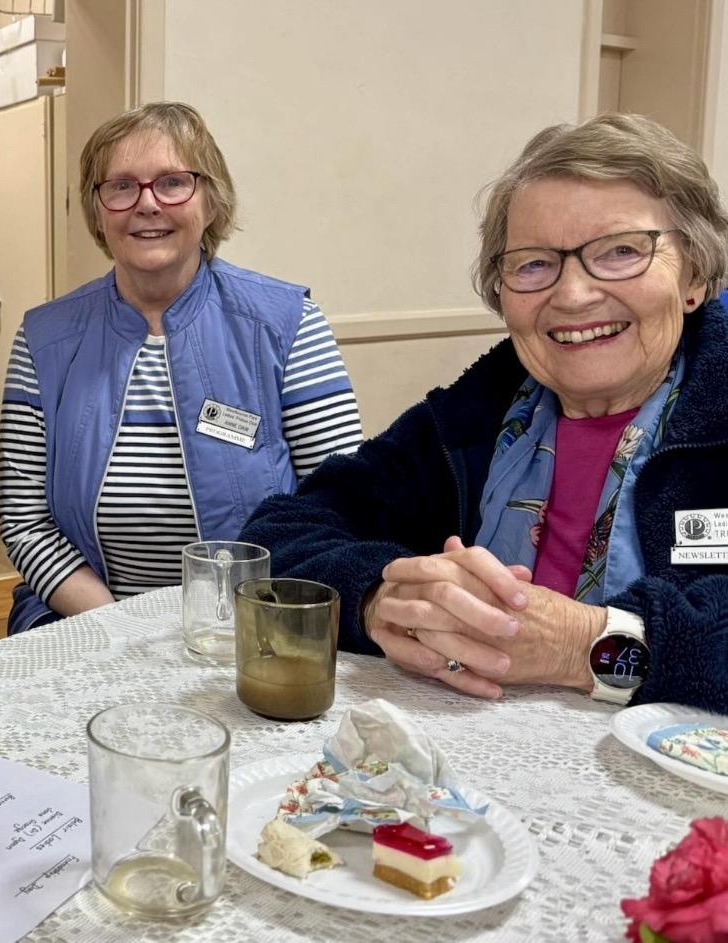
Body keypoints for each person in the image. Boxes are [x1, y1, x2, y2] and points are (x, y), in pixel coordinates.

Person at [241, 113, 728, 714]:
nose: (572, 295)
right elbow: (280, 533)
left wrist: (584, 645)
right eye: (533, 264)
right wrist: (379, 597)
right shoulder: (476, 414)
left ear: (694, 275)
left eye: (621, 251)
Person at [0, 102, 363, 634]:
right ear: (98, 210)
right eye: (121, 186)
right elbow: (25, 520)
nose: (147, 204)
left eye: (172, 182)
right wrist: (122, 629)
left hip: (255, 621)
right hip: (86, 621)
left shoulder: (286, 323)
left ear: (210, 200)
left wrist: (238, 624)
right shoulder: (45, 338)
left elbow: (339, 500)